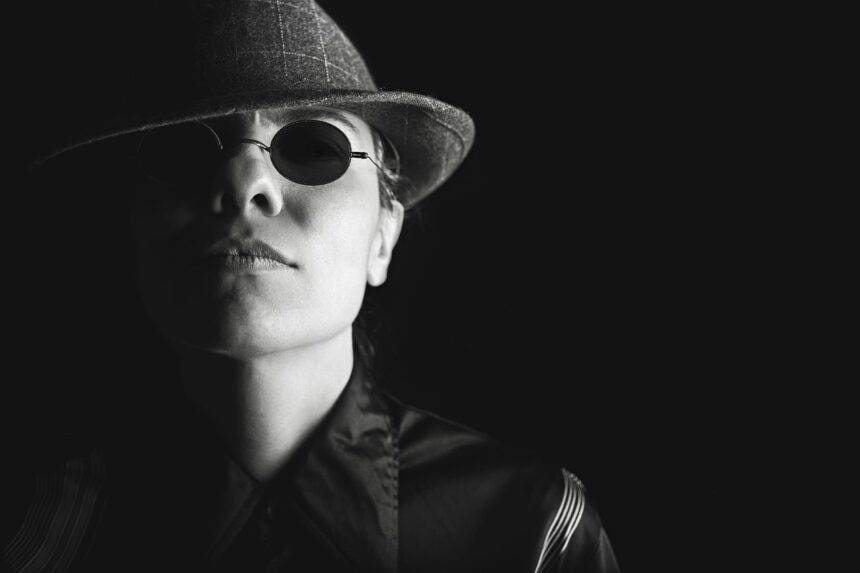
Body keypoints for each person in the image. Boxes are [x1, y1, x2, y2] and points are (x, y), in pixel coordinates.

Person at [4, 1, 620, 571]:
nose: (246, 183)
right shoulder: (27, 521)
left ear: (384, 235)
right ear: (129, 227)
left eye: (314, 146)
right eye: (182, 148)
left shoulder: (531, 530)